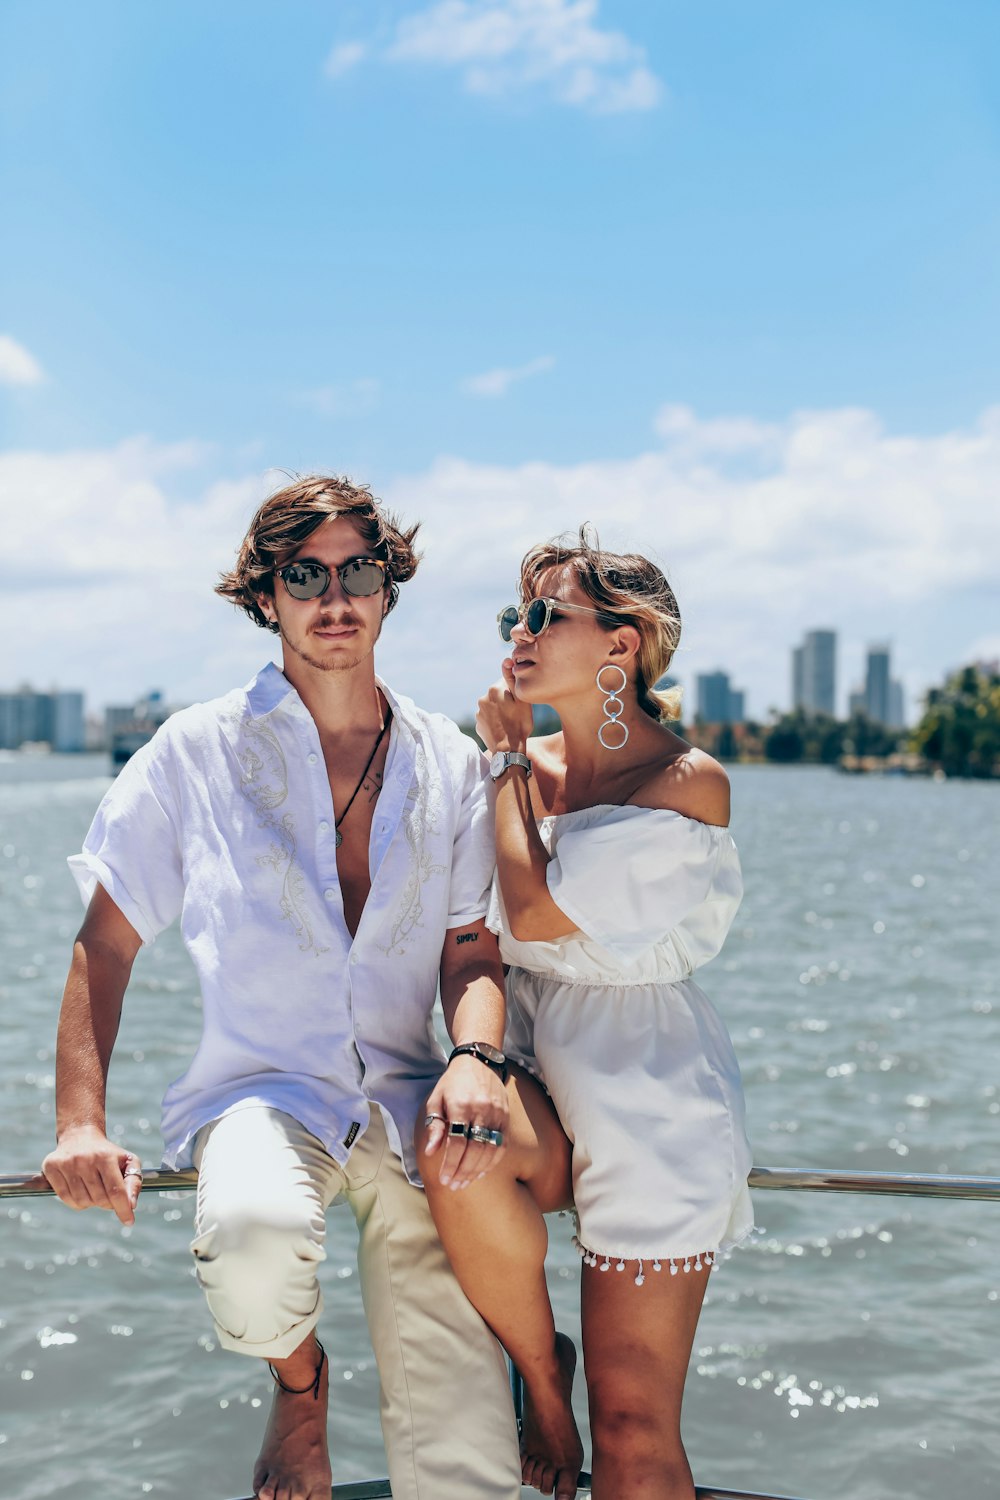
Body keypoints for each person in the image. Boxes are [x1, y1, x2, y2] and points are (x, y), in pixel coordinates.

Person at [40, 475, 525, 1500]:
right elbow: (107, 942)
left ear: (390, 588)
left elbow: (471, 948)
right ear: (265, 596)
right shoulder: (195, 750)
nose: (334, 595)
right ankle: (300, 1385)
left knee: (468, 1452)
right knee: (252, 1232)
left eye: (359, 570)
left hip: (410, 1104)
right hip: (262, 1091)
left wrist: (478, 1057)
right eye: (305, 574)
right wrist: (81, 1123)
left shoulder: (448, 761)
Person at [417, 531, 754, 1500]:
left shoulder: (683, 782)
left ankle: (581, 1408)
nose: (516, 638)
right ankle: (538, 1375)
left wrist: (508, 765)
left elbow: (531, 912)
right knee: (451, 1140)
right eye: (510, 619)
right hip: (543, 1080)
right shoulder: (524, 763)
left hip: (650, 1103)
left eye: (543, 618)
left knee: (636, 1428)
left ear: (622, 645)